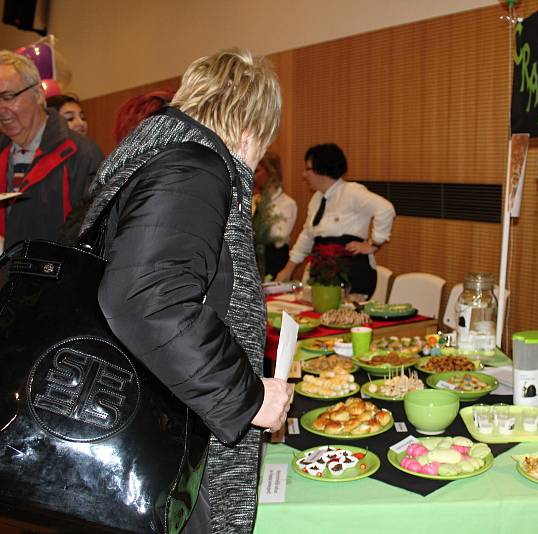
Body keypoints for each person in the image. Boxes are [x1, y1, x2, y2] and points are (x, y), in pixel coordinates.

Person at [79, 48, 293, 533]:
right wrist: (247, 396)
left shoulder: (155, 157)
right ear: (250, 127)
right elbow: (146, 296)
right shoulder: (193, 168)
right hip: (168, 438)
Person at [0, 50, 103, 249]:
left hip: (59, 276)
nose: (1, 108)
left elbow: (94, 234)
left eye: (8, 97)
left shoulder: (82, 155)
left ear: (38, 94)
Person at [275, 143, 395, 297]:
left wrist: (374, 244)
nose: (304, 174)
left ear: (323, 169)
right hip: (324, 275)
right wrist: (288, 269)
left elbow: (386, 209)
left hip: (353, 274)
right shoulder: (317, 199)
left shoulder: (351, 192)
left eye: (308, 169)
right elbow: (307, 236)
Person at [252, 151, 297, 279]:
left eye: (257, 171)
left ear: (271, 172)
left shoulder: (287, 203)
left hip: (274, 266)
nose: (253, 176)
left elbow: (279, 239)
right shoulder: (254, 200)